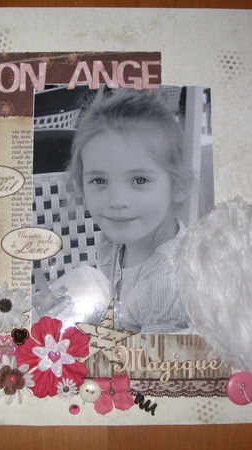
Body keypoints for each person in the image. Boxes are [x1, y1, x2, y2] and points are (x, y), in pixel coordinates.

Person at [67, 87, 195, 334]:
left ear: (178, 186)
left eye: (139, 180)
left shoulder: (168, 284)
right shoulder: (112, 241)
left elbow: (152, 359)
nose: (117, 201)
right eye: (99, 181)